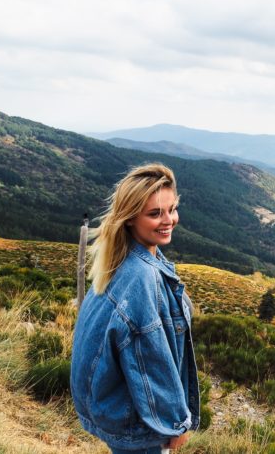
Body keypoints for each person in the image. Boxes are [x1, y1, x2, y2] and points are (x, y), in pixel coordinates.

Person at [71, 163, 199, 453]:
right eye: (155, 213)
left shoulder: (120, 260)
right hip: (140, 423)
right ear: (129, 218)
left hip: (118, 412)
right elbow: (150, 363)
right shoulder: (141, 277)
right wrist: (175, 424)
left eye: (172, 209)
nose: (169, 220)